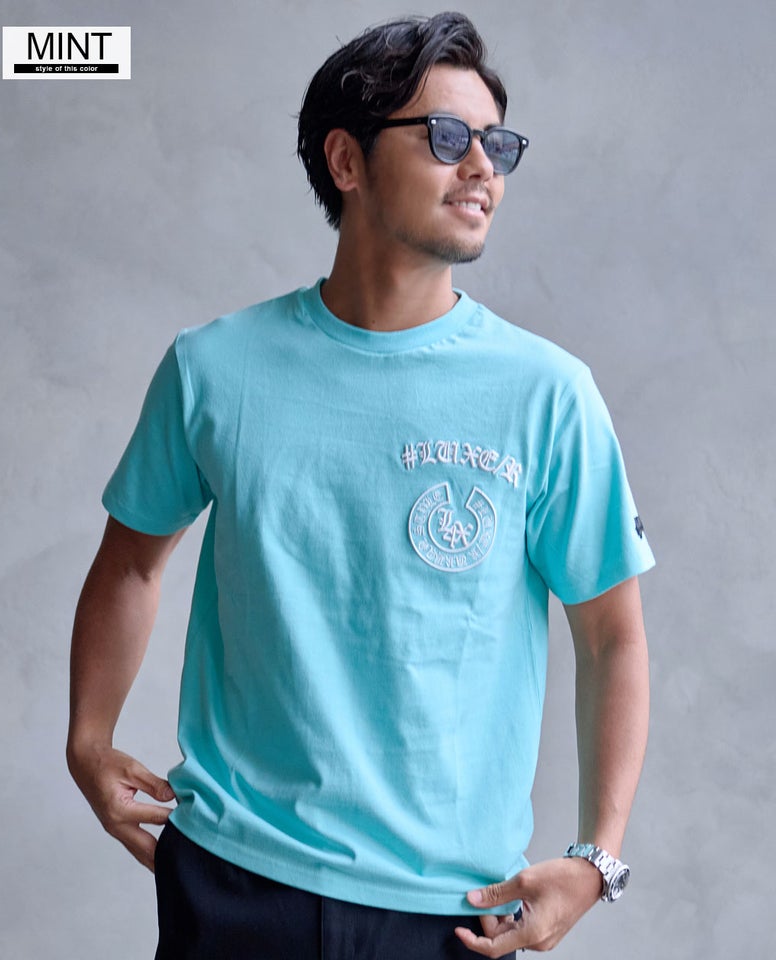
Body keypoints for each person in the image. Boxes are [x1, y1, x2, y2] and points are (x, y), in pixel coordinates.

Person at [67, 12, 654, 959]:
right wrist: (88, 741)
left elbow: (611, 634)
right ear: (346, 160)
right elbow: (131, 562)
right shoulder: (214, 368)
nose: (483, 168)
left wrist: (598, 857)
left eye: (498, 144)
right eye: (448, 138)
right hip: (233, 881)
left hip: (454, 909)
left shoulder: (548, 395)